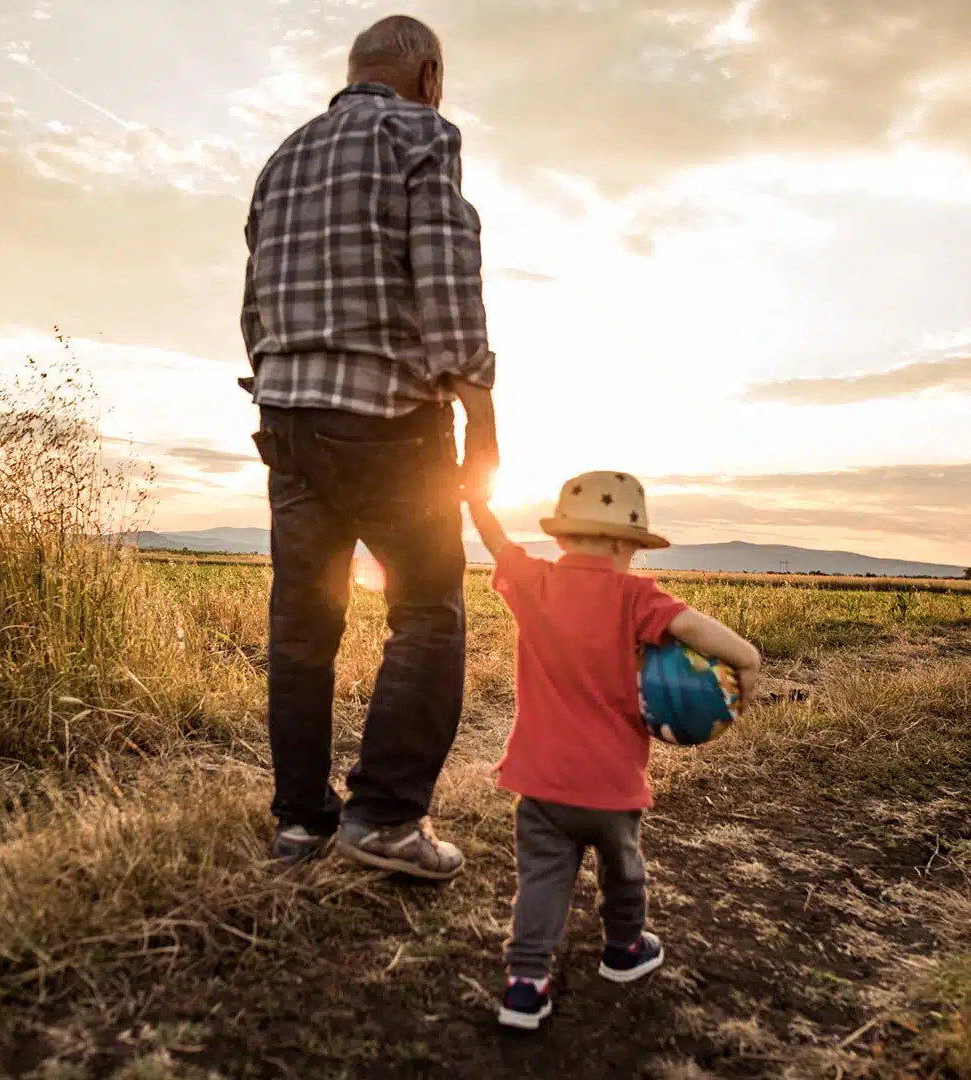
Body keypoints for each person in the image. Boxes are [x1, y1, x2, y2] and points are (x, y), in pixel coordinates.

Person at [238, 15, 498, 881]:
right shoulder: (421, 133)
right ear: (428, 76)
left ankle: (299, 824)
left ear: (354, 72)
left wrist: (280, 385)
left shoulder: (283, 157)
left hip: (288, 419)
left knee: (302, 625)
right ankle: (384, 818)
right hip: (387, 422)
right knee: (427, 612)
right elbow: (448, 281)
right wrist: (482, 417)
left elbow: (254, 305)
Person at [466, 472, 761, 1030]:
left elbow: (496, 541)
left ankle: (525, 985)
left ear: (561, 537)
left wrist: (478, 502)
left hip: (541, 779)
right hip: (612, 782)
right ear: (627, 545)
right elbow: (693, 628)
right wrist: (747, 658)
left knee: (542, 881)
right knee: (624, 870)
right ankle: (624, 950)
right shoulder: (636, 596)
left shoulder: (536, 582)